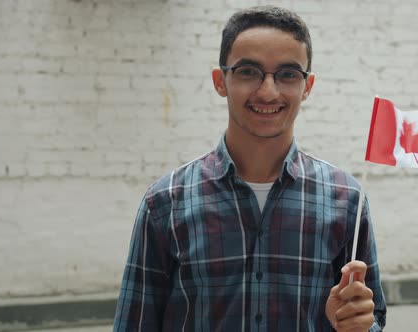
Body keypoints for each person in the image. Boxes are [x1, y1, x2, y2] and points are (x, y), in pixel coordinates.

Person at [113, 5, 386, 332]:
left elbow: (373, 321)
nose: (268, 91)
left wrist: (355, 325)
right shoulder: (165, 203)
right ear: (220, 81)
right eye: (248, 71)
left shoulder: (346, 201)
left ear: (307, 86)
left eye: (287, 74)